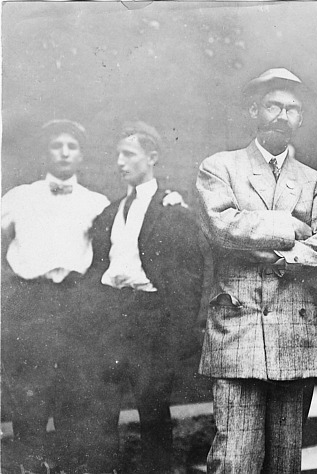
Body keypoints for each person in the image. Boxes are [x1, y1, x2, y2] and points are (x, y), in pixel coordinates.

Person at [196, 67, 317, 473]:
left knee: (285, 462)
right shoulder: (220, 167)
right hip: (237, 327)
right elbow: (223, 226)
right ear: (253, 110)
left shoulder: (313, 181)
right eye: (273, 105)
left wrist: (283, 256)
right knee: (234, 458)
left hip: (294, 333)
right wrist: (291, 227)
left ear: (300, 119)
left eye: (292, 109)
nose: (282, 115)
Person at [90, 121, 204, 473]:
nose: (120, 162)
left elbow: (188, 277)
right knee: (104, 403)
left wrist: (177, 331)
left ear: (152, 157)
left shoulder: (172, 209)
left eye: (129, 154)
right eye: (118, 155)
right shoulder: (111, 211)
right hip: (114, 312)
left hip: (151, 316)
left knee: (152, 404)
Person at [1, 120, 110, 473]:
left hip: (75, 304)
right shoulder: (19, 197)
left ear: (81, 155)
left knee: (73, 394)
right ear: (45, 152)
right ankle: (29, 466)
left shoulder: (97, 203)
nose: (64, 152)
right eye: (56, 145)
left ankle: (67, 466)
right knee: (28, 396)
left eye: (72, 146)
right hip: (29, 304)